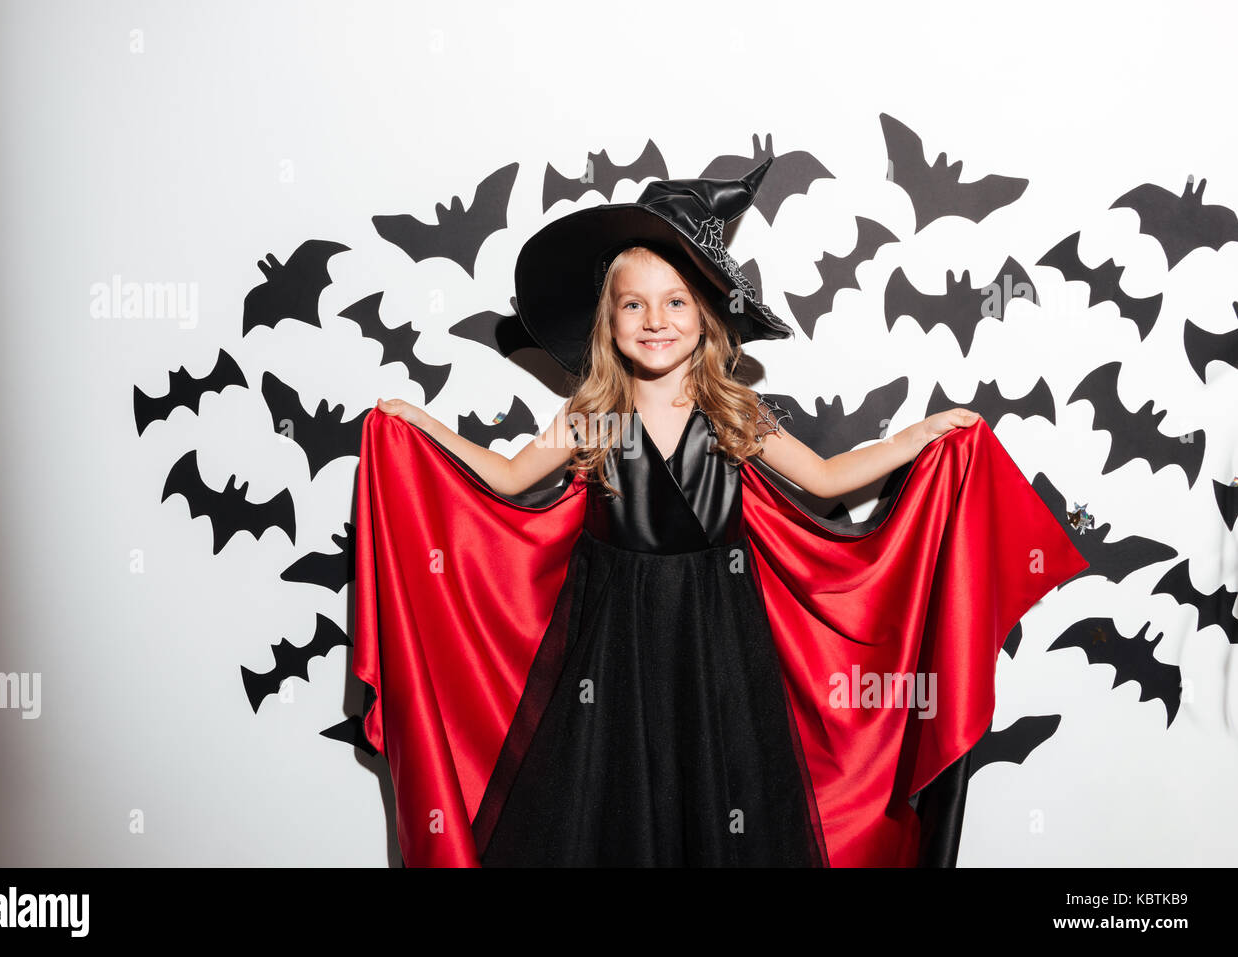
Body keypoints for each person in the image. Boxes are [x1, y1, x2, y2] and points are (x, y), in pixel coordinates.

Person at [353, 158, 1088, 867]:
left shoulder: (730, 416)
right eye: (633, 304)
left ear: (705, 317)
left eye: (676, 302)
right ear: (607, 322)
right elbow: (511, 478)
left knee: (721, 800)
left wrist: (915, 437)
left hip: (718, 638)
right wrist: (425, 429)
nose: (655, 320)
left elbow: (827, 480)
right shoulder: (598, 419)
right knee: (615, 805)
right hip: (613, 647)